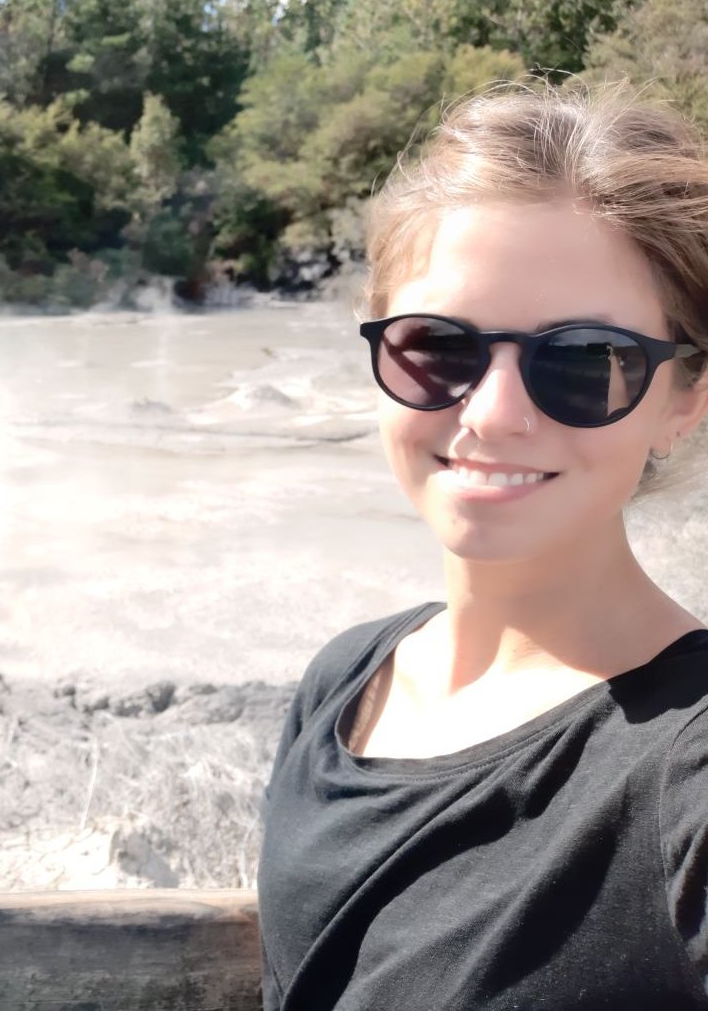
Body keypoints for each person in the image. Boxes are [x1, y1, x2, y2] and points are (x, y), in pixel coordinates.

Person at [259, 82, 708, 1010]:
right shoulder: (346, 679)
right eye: (438, 346)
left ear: (685, 400)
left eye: (583, 358)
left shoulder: (688, 768)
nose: (494, 414)